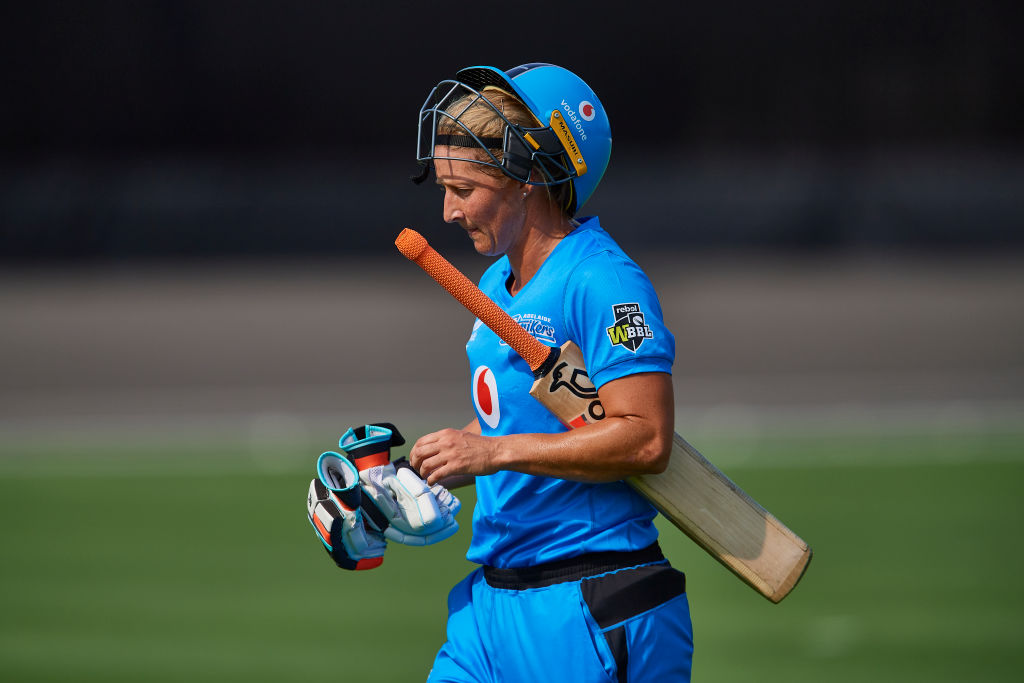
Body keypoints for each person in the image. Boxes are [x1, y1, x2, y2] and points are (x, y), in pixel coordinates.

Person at [407, 63, 694, 682]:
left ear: (529, 176)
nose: (449, 212)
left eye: (464, 189)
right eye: (444, 189)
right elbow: (514, 424)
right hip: (490, 609)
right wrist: (413, 478)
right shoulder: (496, 283)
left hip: (590, 604)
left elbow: (646, 437)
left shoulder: (604, 281)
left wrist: (492, 454)